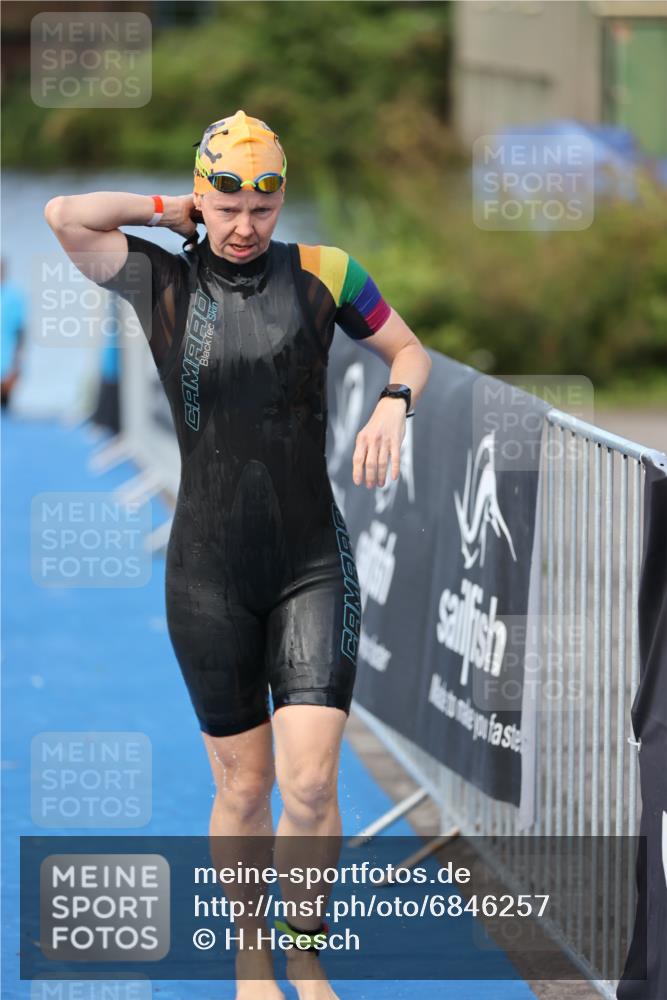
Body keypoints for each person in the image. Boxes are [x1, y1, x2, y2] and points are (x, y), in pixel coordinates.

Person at [44, 110, 432, 1000]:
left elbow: (408, 348)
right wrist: (158, 208)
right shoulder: (160, 284)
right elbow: (65, 214)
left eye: (262, 204)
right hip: (207, 573)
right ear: (202, 197)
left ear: (281, 198)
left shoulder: (327, 274)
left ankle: (304, 950)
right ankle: (249, 954)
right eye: (225, 204)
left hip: (309, 562)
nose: (245, 224)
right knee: (246, 785)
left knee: (308, 779)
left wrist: (391, 402)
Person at [1, 259, 27, 409]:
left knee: (4, 415)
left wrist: (16, 367)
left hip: (5, 366)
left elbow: (21, 332)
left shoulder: (14, 296)